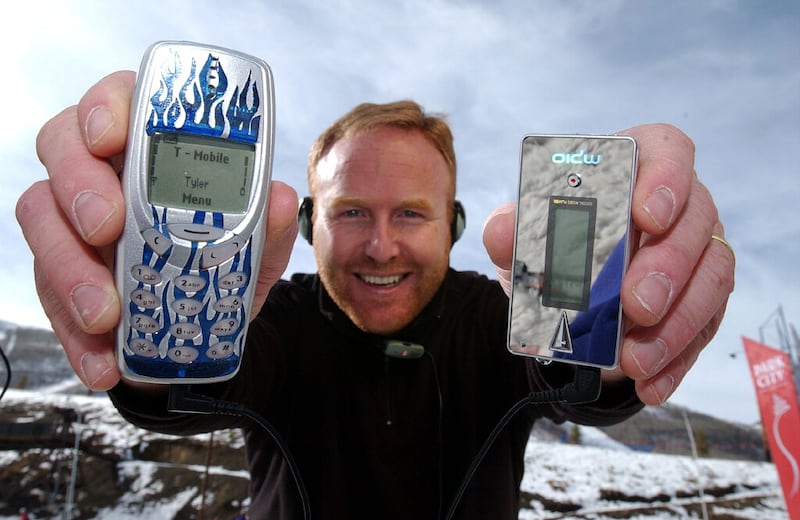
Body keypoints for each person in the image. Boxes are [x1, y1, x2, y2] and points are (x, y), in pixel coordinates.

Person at [17, 71, 734, 519]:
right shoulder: (276, 316)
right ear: (305, 226)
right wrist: (134, 282)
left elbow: (577, 384)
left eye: (412, 214)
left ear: (452, 227)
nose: (382, 247)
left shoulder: (494, 317)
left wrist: (625, 282)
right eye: (351, 211)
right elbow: (179, 386)